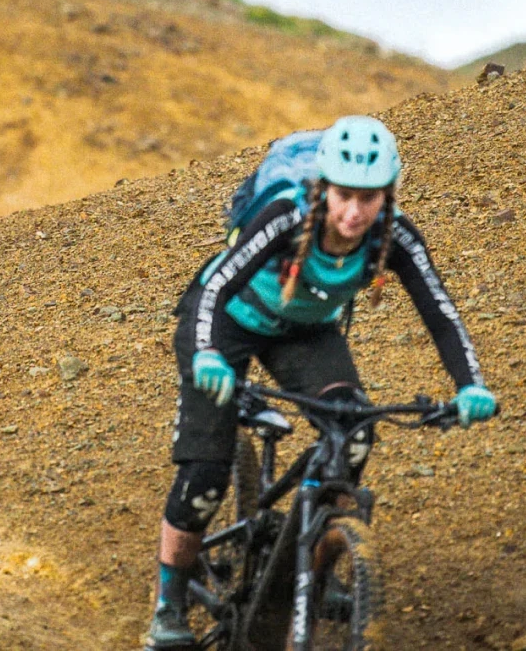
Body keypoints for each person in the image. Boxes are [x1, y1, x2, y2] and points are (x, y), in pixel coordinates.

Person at [144, 115, 496, 649]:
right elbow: (216, 287)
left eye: (369, 198)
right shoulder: (286, 217)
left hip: (303, 332)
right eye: (344, 195)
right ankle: (168, 608)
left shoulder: (394, 234)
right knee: (205, 477)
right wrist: (208, 356)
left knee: (353, 431)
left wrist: (471, 385)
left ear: (387, 195)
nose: (354, 212)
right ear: (325, 187)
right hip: (225, 323)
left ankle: (320, 561)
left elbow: (440, 312)